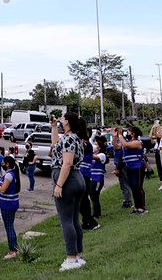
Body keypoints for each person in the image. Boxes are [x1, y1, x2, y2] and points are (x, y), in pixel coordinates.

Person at [51, 113, 87, 272]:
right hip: (77, 179)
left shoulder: (69, 139)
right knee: (74, 220)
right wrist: (53, 127)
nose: (60, 119)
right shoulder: (73, 138)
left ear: (68, 122)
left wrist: (59, 185)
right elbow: (55, 146)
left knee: (66, 221)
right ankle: (78, 255)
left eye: (62, 118)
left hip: (68, 180)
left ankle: (71, 258)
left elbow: (67, 163)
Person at [114, 125, 147, 214]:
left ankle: (141, 207)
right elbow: (117, 146)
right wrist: (115, 136)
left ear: (133, 133)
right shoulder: (127, 141)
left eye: (128, 131)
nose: (127, 132)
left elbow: (125, 145)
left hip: (138, 167)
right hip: (129, 168)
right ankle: (136, 207)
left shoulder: (137, 142)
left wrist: (120, 135)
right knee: (133, 187)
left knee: (138, 187)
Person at [0, 155, 20, 260]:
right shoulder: (11, 173)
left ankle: (13, 250)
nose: (2, 164)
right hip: (10, 204)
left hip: (7, 205)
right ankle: (15, 247)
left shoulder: (9, 175)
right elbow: (6, 182)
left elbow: (3, 189)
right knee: (10, 226)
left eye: (3, 163)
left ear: (7, 164)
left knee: (9, 227)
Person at [79, 133, 99, 231]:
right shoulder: (84, 144)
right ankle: (86, 221)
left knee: (83, 200)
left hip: (85, 176)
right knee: (81, 201)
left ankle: (90, 222)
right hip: (81, 175)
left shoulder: (87, 144)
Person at [89, 135, 107, 221]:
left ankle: (96, 215)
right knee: (93, 197)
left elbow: (95, 158)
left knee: (95, 197)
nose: (94, 146)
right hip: (92, 179)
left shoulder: (102, 155)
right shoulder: (93, 154)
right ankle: (96, 213)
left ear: (99, 147)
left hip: (98, 180)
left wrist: (87, 151)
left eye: (96, 144)